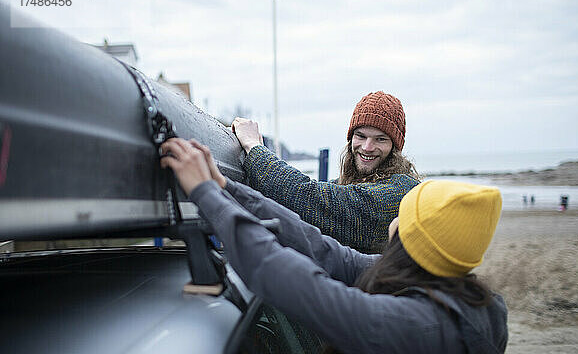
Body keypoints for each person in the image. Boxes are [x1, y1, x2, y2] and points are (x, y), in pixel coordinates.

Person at [159, 138, 508, 354]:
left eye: (406, 215)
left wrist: (205, 195)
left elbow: (292, 279)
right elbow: (323, 250)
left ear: (413, 238)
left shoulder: (415, 326)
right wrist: (226, 188)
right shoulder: (447, 289)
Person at [232, 91, 420, 252]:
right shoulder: (353, 183)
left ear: (395, 147)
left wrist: (254, 147)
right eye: (360, 136)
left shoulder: (400, 193)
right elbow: (297, 196)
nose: (367, 147)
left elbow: (312, 199)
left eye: (380, 139)